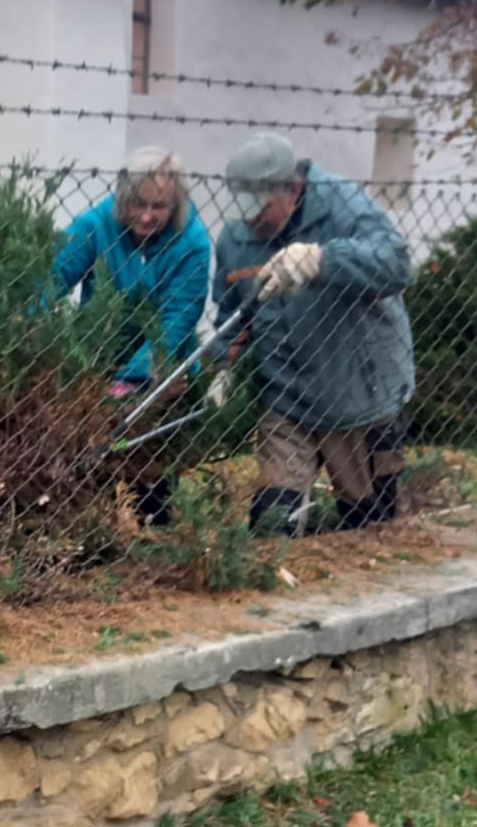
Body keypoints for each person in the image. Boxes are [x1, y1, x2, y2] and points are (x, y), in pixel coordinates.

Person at [216, 132, 414, 535]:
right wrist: (222, 368)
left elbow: (396, 264)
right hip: (285, 398)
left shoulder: (343, 204)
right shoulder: (235, 238)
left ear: (292, 190)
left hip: (358, 396)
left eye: (261, 210)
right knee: (272, 525)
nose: (251, 222)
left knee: (370, 528)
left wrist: (322, 260)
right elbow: (233, 315)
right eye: (244, 210)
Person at [49, 147, 212, 525]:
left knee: (150, 482)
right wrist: (25, 332)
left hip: (159, 379)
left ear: (176, 205)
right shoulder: (95, 225)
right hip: (97, 359)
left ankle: (154, 535)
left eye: (159, 206)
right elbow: (51, 278)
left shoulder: (193, 244)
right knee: (89, 482)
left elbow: (175, 322)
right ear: (122, 197)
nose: (147, 215)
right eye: (138, 203)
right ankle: (95, 537)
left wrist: (133, 383)